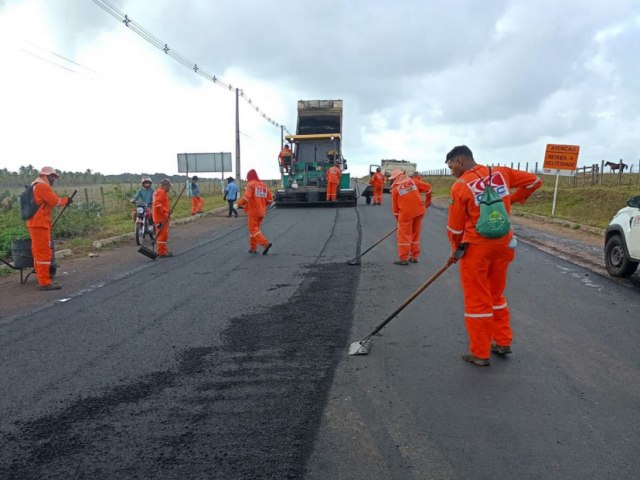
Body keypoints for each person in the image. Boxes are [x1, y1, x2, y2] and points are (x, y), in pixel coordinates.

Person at [445, 145, 542, 366]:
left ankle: (480, 353)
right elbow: (535, 181)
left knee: (477, 299)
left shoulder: (460, 186)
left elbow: (455, 229)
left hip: (477, 248)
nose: (451, 172)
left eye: (451, 167)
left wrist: (455, 251)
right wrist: (515, 199)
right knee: (496, 295)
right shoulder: (501, 172)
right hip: (505, 244)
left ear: (460, 161)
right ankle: (502, 341)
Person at [26, 166, 72, 290]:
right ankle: (45, 283)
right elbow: (54, 201)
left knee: (38, 252)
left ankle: (42, 279)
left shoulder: (34, 185)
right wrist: (66, 200)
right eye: (52, 176)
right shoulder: (42, 186)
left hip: (35, 224)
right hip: (40, 224)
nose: (53, 179)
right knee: (44, 253)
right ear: (45, 175)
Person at [389, 169, 426, 265]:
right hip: (419, 211)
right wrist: (427, 203)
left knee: (403, 236)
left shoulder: (395, 188)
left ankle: (403, 258)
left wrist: (398, 221)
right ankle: (414, 256)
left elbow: (395, 208)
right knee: (415, 233)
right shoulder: (412, 181)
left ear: (395, 178)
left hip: (406, 214)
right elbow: (428, 188)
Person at [237, 169, 273, 254]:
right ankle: (253, 248)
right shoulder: (263, 185)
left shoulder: (251, 184)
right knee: (255, 229)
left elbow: (246, 197)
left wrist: (238, 204)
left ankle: (265, 244)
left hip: (254, 211)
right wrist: (264, 204)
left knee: (253, 229)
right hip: (262, 211)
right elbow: (270, 199)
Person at [153, 178, 174, 258]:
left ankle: (163, 251)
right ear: (165, 185)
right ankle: (161, 252)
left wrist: (167, 211)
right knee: (162, 235)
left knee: (163, 235)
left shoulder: (162, 192)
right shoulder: (160, 193)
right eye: (169, 186)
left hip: (162, 217)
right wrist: (166, 211)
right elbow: (158, 205)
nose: (170, 188)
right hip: (160, 218)